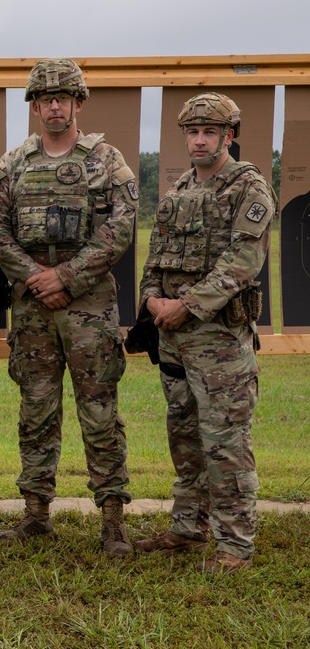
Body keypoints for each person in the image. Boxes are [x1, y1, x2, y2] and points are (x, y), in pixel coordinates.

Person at [0, 59, 139, 556]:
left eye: (63, 97)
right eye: (45, 98)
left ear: (78, 103)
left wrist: (67, 277)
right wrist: (35, 277)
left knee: (99, 412)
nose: (54, 106)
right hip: (32, 307)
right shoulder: (13, 164)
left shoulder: (106, 160)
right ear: (33, 106)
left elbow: (120, 228)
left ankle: (112, 519)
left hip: (88, 305)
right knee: (36, 409)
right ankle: (35, 513)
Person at [134, 93, 275, 573]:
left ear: (228, 136)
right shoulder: (178, 190)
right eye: (192, 132)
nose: (198, 140)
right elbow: (154, 256)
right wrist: (152, 299)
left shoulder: (248, 188)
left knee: (226, 441)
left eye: (209, 132)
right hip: (173, 338)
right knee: (186, 436)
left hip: (218, 342)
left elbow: (242, 262)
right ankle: (189, 526)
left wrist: (186, 306)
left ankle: (235, 545)